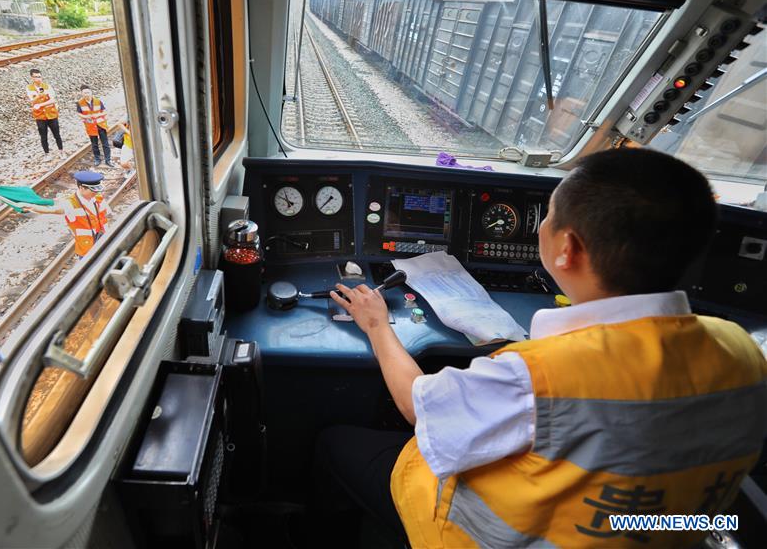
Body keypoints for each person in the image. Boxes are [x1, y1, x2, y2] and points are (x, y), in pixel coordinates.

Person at [322, 149, 767, 547]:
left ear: (567, 249)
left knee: (333, 442)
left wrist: (378, 325)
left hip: (470, 536)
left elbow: (419, 409)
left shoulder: (538, 376)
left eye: (549, 216)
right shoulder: (744, 352)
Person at [24, 171, 109, 258]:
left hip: (104, 240)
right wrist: (33, 208)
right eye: (93, 190)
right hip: (87, 248)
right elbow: (53, 210)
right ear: (81, 188)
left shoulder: (98, 198)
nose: (95, 193)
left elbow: (104, 217)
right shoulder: (70, 203)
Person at [26, 68, 63, 155]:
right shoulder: (29, 88)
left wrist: (41, 105)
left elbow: (53, 100)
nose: (38, 79)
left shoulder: (47, 86)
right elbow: (32, 101)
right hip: (40, 116)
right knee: (43, 136)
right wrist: (39, 96)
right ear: (32, 78)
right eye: (36, 77)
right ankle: (47, 153)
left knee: (57, 134)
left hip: (51, 114)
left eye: (39, 77)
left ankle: (61, 150)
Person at [76, 84, 112, 167]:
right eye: (84, 93)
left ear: (91, 92)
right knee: (94, 144)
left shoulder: (98, 101)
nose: (86, 94)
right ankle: (97, 159)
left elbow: (105, 111)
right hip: (91, 126)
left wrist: (97, 115)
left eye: (88, 92)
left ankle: (108, 160)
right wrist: (86, 116)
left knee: (105, 143)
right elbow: (79, 113)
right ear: (82, 94)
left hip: (100, 124)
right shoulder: (80, 103)